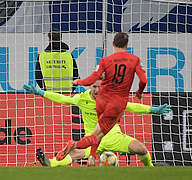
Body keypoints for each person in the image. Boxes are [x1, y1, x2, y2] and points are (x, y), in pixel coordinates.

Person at [23, 79, 170, 167]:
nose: (97, 90)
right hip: (93, 138)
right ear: (89, 87)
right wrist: (41, 93)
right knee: (76, 154)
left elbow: (131, 106)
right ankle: (50, 163)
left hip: (113, 136)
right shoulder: (81, 98)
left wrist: (154, 110)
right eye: (94, 86)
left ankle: (150, 168)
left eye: (101, 87)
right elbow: (63, 98)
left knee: (142, 149)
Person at [55, 32, 147, 166]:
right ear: (127, 45)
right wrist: (139, 92)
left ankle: (91, 155)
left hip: (102, 101)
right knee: (97, 135)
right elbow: (143, 80)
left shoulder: (105, 61)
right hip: (116, 103)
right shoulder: (134, 60)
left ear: (113, 44)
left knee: (97, 133)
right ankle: (75, 144)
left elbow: (92, 79)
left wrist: (79, 82)